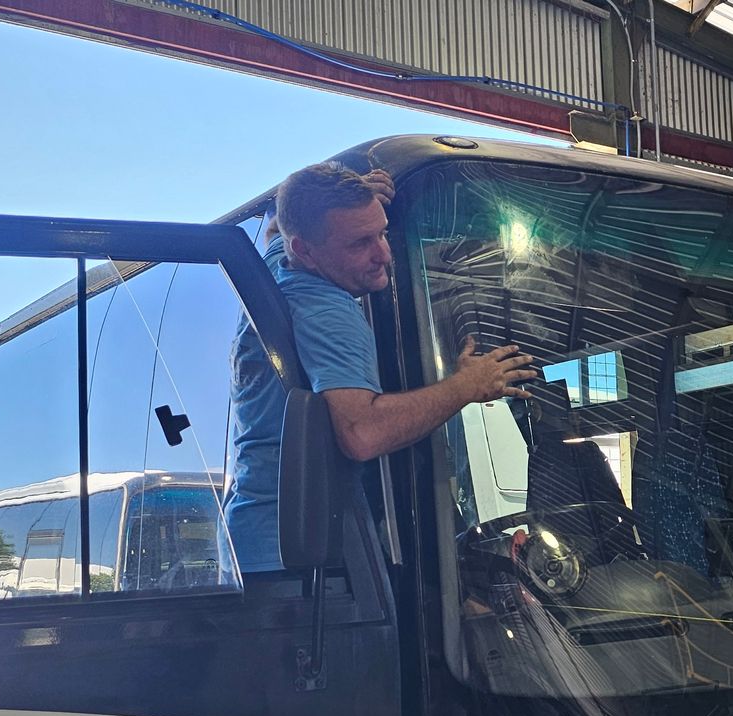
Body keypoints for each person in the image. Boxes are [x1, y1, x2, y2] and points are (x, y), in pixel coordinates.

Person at [225, 161, 539, 577]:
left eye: (382, 232)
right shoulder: (328, 311)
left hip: (250, 545)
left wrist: (359, 194)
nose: (384, 255)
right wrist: (467, 385)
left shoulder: (276, 265)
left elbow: (273, 229)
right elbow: (362, 433)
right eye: (359, 243)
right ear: (305, 249)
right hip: (300, 568)